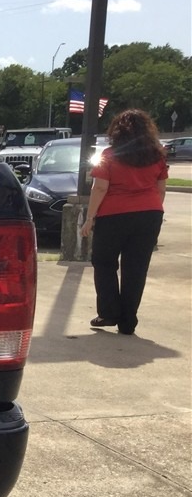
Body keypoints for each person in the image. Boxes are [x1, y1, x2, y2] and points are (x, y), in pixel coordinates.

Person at [79, 109, 168, 335]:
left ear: (116, 132)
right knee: (136, 269)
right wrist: (153, 213)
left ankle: (109, 313)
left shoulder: (109, 155)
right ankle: (128, 321)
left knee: (103, 262)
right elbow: (161, 190)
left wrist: (90, 218)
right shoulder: (157, 156)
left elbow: (100, 187)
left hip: (114, 215)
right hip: (149, 214)